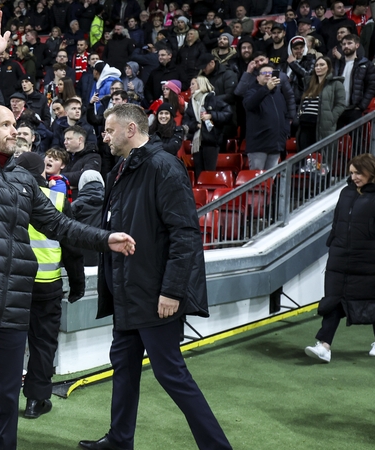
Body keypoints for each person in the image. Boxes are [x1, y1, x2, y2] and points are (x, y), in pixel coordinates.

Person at [0, 9, 136, 450]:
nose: (16, 129)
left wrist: (105, 239)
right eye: (6, 123)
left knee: (6, 401)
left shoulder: (25, 180)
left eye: (15, 123)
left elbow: (59, 225)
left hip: (11, 308)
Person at [78, 103, 231, 450]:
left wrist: (172, 291)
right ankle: (119, 440)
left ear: (131, 130)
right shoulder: (121, 168)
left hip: (155, 295)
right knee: (125, 370)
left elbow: (186, 234)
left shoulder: (163, 166)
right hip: (127, 293)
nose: (104, 136)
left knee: (171, 375)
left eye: (109, 129)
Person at [13, 151, 86, 419]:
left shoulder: (7, 196)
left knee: (6, 341)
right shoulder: (56, 199)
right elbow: (70, 244)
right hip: (47, 284)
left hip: (13, 284)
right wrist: (78, 283)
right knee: (43, 343)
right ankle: (36, 400)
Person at [305, 153, 375, 362]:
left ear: (372, 171)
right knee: (333, 300)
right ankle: (324, 346)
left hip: (372, 260)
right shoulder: (346, 192)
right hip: (340, 257)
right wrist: (334, 244)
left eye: (358, 172)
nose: (354, 177)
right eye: (351, 173)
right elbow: (337, 222)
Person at [243, 63, 291, 171]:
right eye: (264, 73)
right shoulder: (251, 91)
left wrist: (284, 134)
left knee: (269, 181)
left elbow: (285, 115)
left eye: (270, 73)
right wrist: (266, 88)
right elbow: (250, 105)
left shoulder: (279, 95)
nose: (268, 75)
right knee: (257, 181)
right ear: (257, 77)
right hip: (259, 145)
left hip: (275, 145)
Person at [183, 76, 232, 180]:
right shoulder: (192, 102)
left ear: (200, 84)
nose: (190, 87)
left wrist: (212, 115)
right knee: (199, 175)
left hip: (211, 141)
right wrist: (196, 125)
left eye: (193, 84)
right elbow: (186, 122)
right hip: (196, 142)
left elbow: (228, 113)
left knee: (209, 174)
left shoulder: (213, 99)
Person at [297, 56, 346, 151]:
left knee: (320, 158)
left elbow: (341, 104)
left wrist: (331, 118)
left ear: (328, 67)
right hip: (304, 125)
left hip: (320, 125)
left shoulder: (336, 83)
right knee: (304, 157)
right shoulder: (309, 83)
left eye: (322, 65)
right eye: (316, 65)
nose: (318, 67)